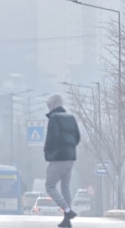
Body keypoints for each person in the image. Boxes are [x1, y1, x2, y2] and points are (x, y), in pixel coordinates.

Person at [43, 93, 81, 228]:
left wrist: (48, 153)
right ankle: (67, 220)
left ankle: (68, 210)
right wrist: (69, 148)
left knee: (50, 185)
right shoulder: (71, 118)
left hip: (58, 157)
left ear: (53, 105)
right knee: (65, 188)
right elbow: (77, 137)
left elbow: (52, 138)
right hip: (70, 157)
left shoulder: (54, 119)